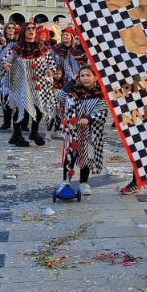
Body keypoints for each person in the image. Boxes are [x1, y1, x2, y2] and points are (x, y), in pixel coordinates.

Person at [2, 21, 56, 147]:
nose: (31, 31)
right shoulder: (16, 47)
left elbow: (51, 63)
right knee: (22, 109)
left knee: (39, 108)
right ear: (23, 32)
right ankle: (17, 134)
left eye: (33, 29)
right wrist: (6, 65)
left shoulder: (42, 47)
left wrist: (49, 70)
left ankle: (34, 132)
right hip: (21, 83)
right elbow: (4, 60)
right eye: (28, 29)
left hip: (39, 83)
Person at [58, 66, 109, 197]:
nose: (85, 78)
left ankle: (84, 182)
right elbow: (61, 96)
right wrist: (72, 80)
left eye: (88, 75)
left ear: (95, 77)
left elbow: (102, 111)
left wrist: (90, 119)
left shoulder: (101, 92)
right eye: (82, 75)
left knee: (88, 155)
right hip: (73, 130)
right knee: (70, 155)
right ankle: (66, 182)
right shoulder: (74, 90)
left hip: (91, 131)